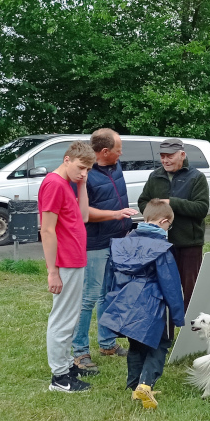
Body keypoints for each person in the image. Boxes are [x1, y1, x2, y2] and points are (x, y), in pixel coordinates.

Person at [99, 199, 186, 410]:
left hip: (126, 302)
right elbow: (171, 284)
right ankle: (145, 385)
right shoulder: (162, 248)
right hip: (151, 305)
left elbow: (111, 277)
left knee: (136, 344)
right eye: (169, 225)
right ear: (164, 222)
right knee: (159, 345)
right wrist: (177, 315)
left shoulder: (123, 242)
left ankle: (134, 385)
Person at [71, 129, 138, 374]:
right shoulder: (85, 175)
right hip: (94, 246)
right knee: (88, 298)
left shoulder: (116, 167)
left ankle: (107, 344)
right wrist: (115, 214)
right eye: (118, 149)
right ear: (105, 152)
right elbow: (84, 212)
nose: (122, 154)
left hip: (118, 241)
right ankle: (80, 352)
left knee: (108, 295)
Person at [40, 141, 95, 393]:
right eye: (80, 168)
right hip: (64, 262)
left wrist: (81, 184)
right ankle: (59, 378)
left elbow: (82, 216)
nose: (83, 173)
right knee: (62, 319)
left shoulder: (68, 184)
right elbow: (47, 230)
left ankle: (66, 365)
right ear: (67, 159)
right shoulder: (53, 184)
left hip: (76, 258)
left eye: (87, 170)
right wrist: (52, 271)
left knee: (70, 317)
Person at [137, 138, 209, 311]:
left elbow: (201, 208)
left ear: (182, 155)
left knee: (190, 291)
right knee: (163, 290)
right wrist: (155, 213)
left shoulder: (196, 177)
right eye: (162, 156)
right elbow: (142, 202)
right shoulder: (155, 176)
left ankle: (191, 329)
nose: (165, 160)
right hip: (160, 245)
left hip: (189, 244)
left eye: (170, 156)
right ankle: (166, 333)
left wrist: (172, 203)